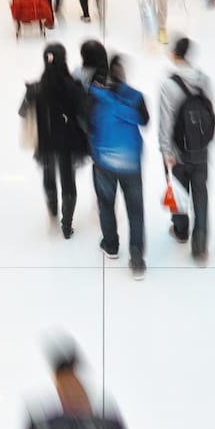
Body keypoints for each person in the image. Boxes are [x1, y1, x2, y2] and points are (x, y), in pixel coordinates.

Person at [87, 53, 150, 277]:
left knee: (106, 203)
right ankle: (137, 258)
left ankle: (111, 245)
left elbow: (87, 125)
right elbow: (145, 120)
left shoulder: (94, 97)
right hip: (131, 160)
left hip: (104, 160)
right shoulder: (135, 97)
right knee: (135, 210)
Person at [21, 42, 89, 239]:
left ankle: (52, 210)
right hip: (69, 140)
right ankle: (67, 225)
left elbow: (23, 111)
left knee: (48, 174)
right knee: (68, 181)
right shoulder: (74, 87)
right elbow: (83, 112)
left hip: (45, 139)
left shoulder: (35, 88)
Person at [158, 37, 215, 263]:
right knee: (200, 194)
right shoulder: (204, 80)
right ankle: (200, 246)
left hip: (178, 151)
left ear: (175, 54)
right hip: (200, 149)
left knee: (179, 191)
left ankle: (181, 230)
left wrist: (166, 151)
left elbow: (165, 120)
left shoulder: (168, 84)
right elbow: (210, 112)